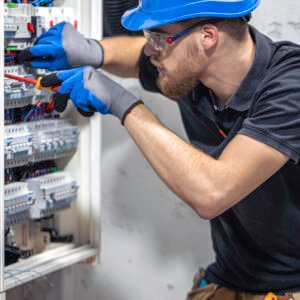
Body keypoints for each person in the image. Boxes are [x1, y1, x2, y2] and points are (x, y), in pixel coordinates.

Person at [18, 0, 300, 299]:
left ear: (207, 37)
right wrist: (94, 51)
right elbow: (139, 58)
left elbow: (212, 192)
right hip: (230, 277)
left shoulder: (290, 86)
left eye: (157, 36)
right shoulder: (194, 69)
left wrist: (122, 103)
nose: (149, 49)